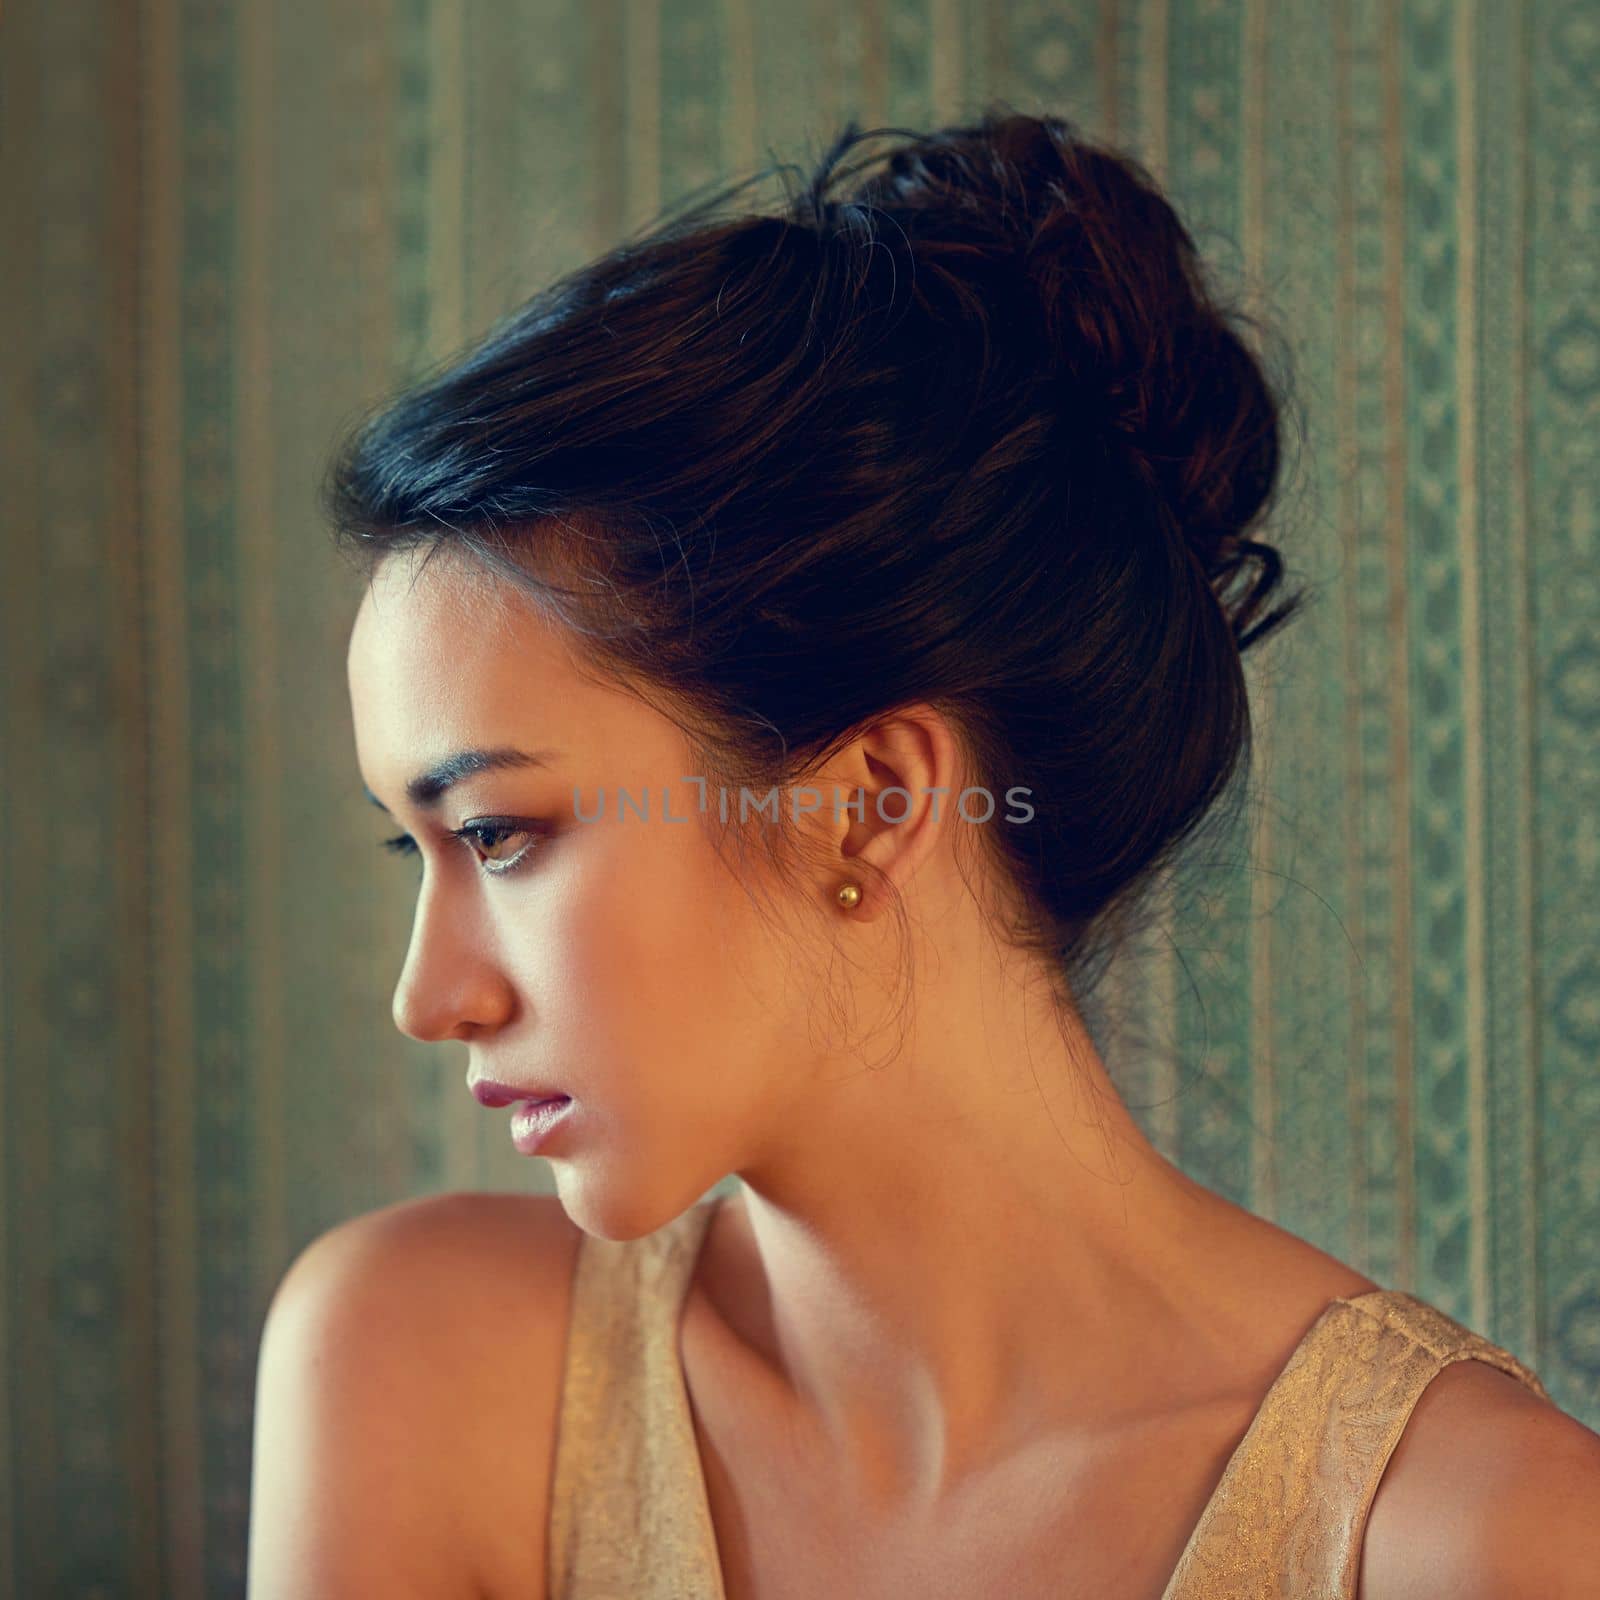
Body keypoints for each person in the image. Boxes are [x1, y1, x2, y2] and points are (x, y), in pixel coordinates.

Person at [247, 109, 1600, 1598]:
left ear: (873, 801)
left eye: (501, 835)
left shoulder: (1472, 1542)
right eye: (419, 849)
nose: (431, 998)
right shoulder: (424, 1372)